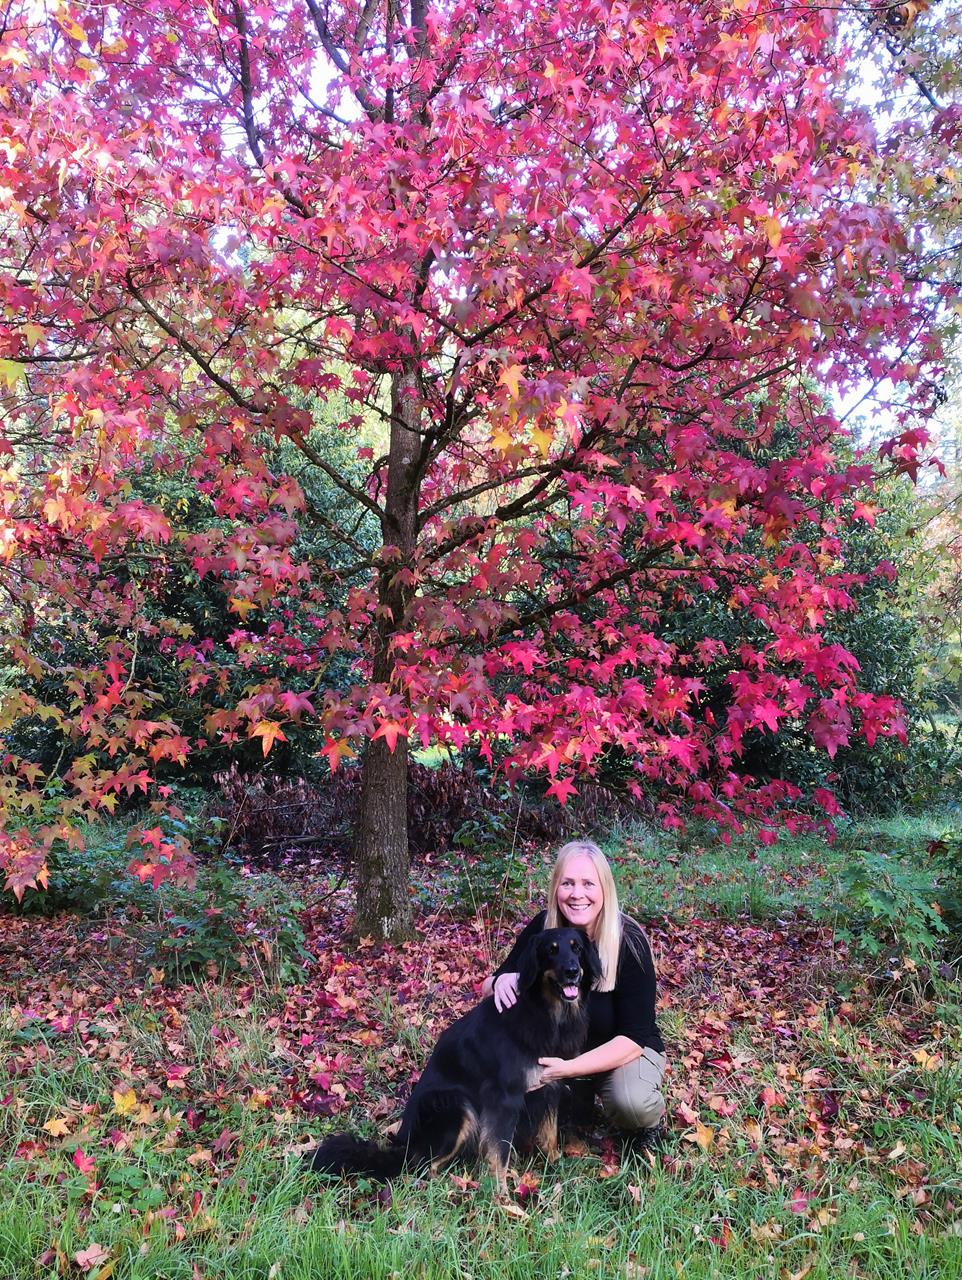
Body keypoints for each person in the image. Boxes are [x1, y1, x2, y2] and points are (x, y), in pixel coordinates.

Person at [481, 839, 667, 1148]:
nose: (577, 894)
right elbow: (491, 988)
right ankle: (572, 1102)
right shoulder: (544, 929)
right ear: (556, 887)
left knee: (632, 1102)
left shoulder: (629, 941)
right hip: (562, 1049)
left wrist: (565, 1069)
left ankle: (647, 1127)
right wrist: (500, 980)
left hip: (621, 1053)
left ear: (604, 889)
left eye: (588, 884)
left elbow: (634, 1038)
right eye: (567, 883)